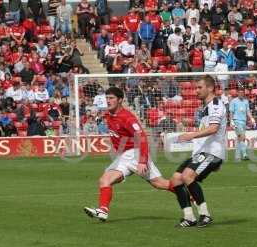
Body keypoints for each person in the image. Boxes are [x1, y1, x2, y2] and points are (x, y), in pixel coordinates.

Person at [84, 87, 175, 221]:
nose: (108, 101)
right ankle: (103, 210)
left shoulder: (127, 118)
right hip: (123, 157)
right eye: (107, 98)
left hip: (135, 154)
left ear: (120, 100)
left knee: (159, 183)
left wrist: (142, 161)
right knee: (105, 180)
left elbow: (142, 137)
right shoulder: (109, 114)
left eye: (111, 98)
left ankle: (189, 194)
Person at [170, 75, 227, 228]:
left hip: (212, 152)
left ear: (210, 88)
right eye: (195, 87)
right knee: (176, 179)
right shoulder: (205, 107)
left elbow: (214, 128)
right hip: (202, 152)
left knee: (187, 176)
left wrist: (191, 135)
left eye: (199, 87)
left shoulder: (215, 105)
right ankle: (189, 217)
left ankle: (205, 214)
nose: (196, 91)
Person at [229, 84, 255, 161]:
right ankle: (245, 154)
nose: (241, 94)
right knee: (242, 137)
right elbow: (231, 112)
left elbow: (248, 111)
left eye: (242, 92)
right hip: (236, 121)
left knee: (240, 139)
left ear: (244, 93)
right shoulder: (233, 101)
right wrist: (231, 121)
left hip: (243, 121)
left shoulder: (246, 101)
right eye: (239, 92)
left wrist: (251, 118)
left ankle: (237, 157)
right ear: (237, 93)